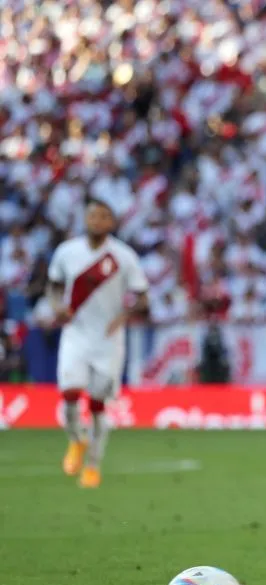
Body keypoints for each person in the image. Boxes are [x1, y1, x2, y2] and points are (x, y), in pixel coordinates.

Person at [48, 196, 150, 488]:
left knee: (97, 404)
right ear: (86, 219)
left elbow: (143, 297)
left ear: (112, 223)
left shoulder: (124, 256)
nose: (97, 221)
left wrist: (125, 315)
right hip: (76, 335)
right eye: (93, 216)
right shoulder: (67, 252)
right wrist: (57, 307)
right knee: (68, 394)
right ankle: (76, 440)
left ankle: (93, 464)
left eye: (104, 217)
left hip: (108, 340)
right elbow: (54, 286)